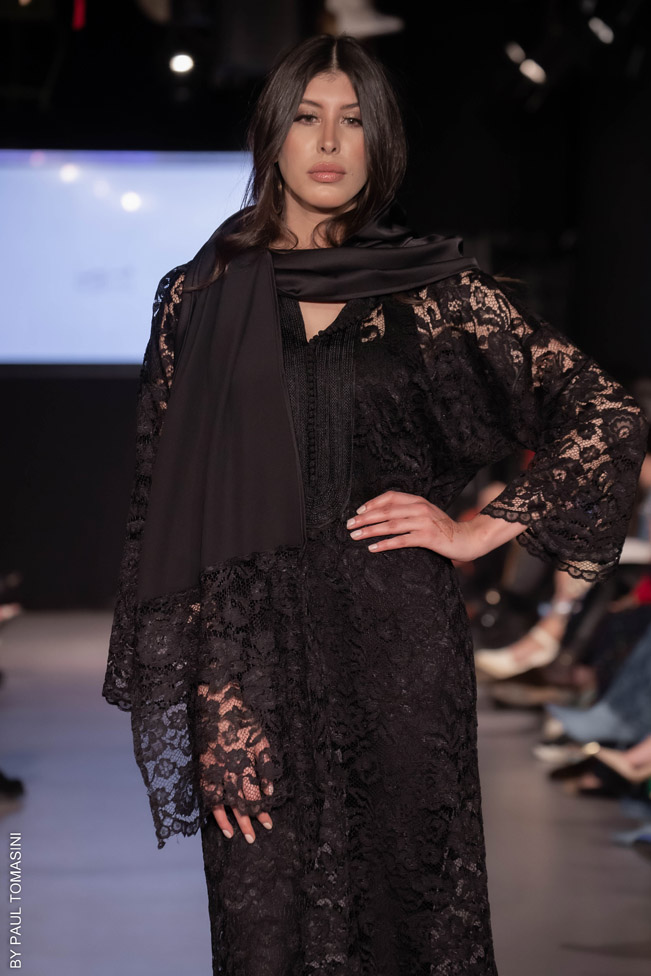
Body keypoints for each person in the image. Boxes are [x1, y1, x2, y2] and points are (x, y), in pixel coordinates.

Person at [102, 32, 649, 976]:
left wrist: (474, 530)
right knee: (265, 938)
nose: (328, 142)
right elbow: (167, 514)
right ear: (271, 135)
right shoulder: (198, 297)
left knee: (410, 930)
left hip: (400, 649)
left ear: (379, 141)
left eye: (352, 122)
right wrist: (215, 702)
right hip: (251, 663)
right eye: (306, 118)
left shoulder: (432, 292)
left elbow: (603, 412)